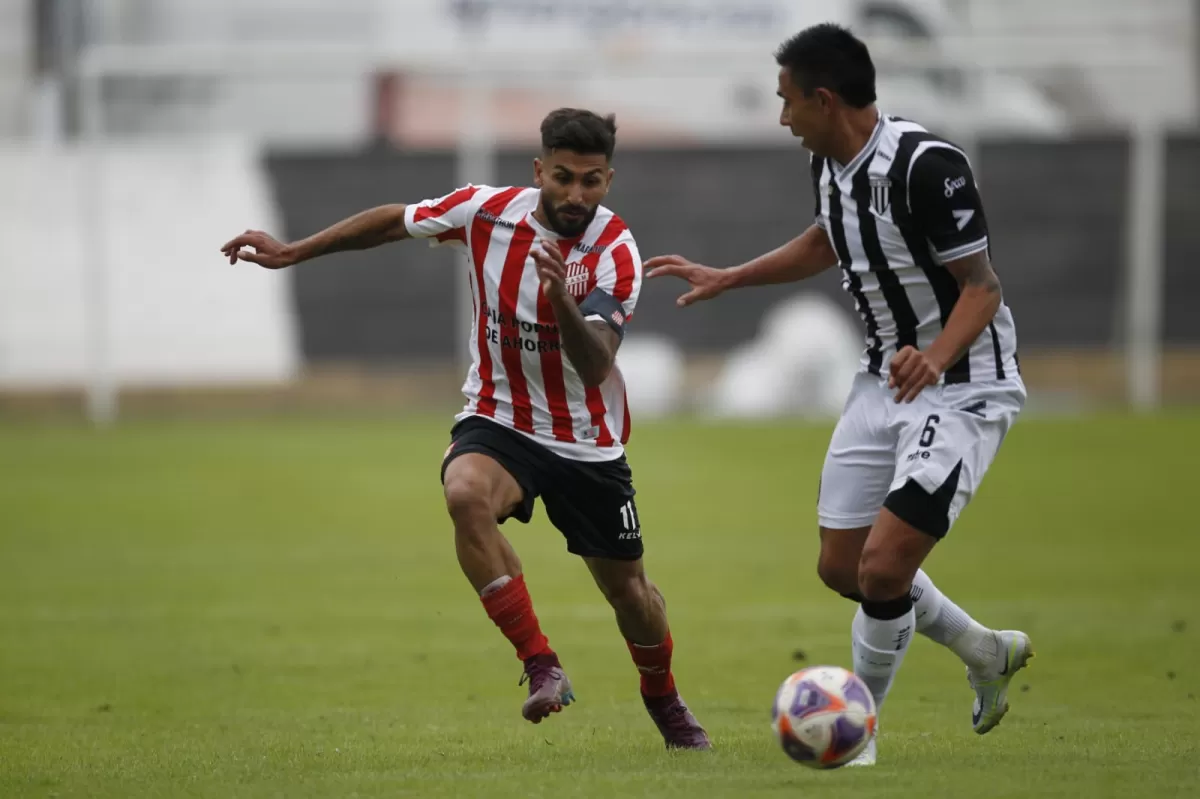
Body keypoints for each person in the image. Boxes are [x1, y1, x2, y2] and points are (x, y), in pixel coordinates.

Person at [220, 108, 710, 750]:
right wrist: (295, 251)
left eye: (591, 182)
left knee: (631, 595)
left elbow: (595, 366)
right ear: (540, 170)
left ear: (609, 181)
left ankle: (663, 699)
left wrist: (559, 296)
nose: (575, 195)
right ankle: (541, 664)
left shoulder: (616, 252)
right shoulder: (486, 211)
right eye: (563, 177)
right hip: (499, 417)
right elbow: (395, 220)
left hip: (585, 440)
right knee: (464, 494)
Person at [644, 24, 1032, 765]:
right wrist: (730, 275)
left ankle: (854, 730)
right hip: (882, 379)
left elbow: (982, 289)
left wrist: (936, 355)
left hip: (961, 387)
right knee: (841, 568)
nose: (782, 116)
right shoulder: (831, 167)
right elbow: (830, 239)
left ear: (825, 99)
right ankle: (984, 650)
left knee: (884, 568)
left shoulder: (929, 165)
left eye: (788, 101)